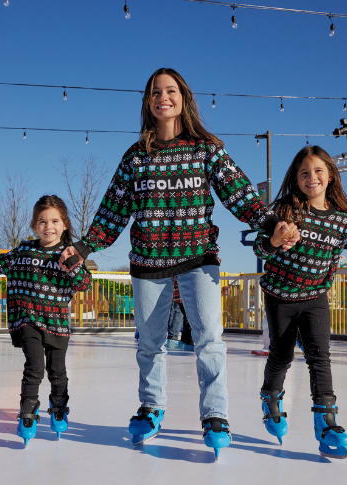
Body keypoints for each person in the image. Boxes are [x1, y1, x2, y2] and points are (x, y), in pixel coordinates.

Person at [59, 68, 278, 458]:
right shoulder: (136, 156)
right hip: (149, 260)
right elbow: (114, 209)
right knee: (150, 344)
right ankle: (152, 407)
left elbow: (239, 192)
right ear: (148, 102)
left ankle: (215, 415)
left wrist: (271, 223)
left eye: (171, 90)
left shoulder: (204, 147)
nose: (164, 97)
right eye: (156, 92)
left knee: (209, 340)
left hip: (198, 257)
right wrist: (85, 246)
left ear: (183, 98)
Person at [253, 145, 347, 459]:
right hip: (280, 296)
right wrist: (275, 239)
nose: (312, 178)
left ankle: (327, 422)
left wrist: (324, 285)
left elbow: (334, 258)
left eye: (318, 171)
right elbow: (260, 248)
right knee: (281, 356)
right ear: (296, 178)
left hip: (315, 298)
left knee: (319, 357)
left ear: (330, 175)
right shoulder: (285, 210)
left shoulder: (342, 217)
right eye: (304, 173)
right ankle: (270, 397)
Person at [0, 195, 92, 446]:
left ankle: (58, 407)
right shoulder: (24, 251)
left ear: (65, 224)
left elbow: (84, 283)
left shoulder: (68, 253)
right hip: (28, 319)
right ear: (34, 225)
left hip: (56, 322)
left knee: (57, 371)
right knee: (34, 368)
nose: (49, 227)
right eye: (42, 222)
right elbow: (1, 262)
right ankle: (28, 413)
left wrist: (73, 265)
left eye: (55, 221)